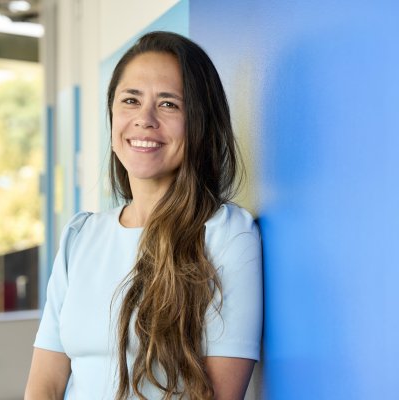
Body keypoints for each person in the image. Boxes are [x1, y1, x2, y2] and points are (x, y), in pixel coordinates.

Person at [25, 31, 262, 400]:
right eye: (130, 100)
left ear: (200, 122)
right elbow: (45, 384)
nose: (144, 119)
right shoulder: (81, 235)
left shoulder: (225, 234)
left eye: (169, 104)